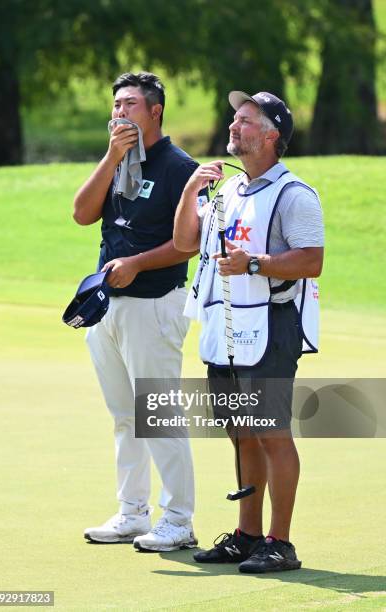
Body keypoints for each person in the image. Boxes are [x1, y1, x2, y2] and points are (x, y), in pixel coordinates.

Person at [174, 90, 324, 572]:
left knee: (271, 433)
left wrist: (254, 263)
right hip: (227, 326)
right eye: (234, 119)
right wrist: (189, 190)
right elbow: (184, 242)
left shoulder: (294, 193)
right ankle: (247, 534)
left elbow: (311, 260)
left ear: (271, 134)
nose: (234, 126)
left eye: (245, 120)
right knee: (241, 433)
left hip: (272, 326)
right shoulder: (227, 191)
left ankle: (281, 542)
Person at [73, 72, 206, 552]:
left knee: (157, 413)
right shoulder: (118, 160)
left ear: (155, 111)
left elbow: (187, 244)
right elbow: (82, 213)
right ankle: (132, 513)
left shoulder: (179, 167)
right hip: (108, 306)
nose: (120, 113)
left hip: (155, 303)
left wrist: (137, 263)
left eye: (130, 104)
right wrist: (110, 157)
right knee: (124, 415)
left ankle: (178, 519)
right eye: (115, 105)